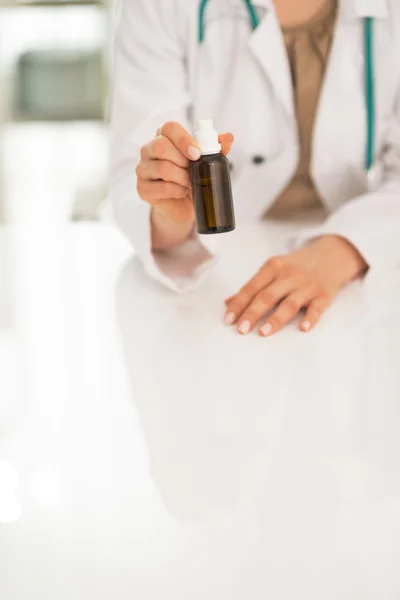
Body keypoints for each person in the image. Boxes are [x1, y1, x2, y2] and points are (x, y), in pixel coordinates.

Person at [110, 0, 400, 337]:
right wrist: (169, 214)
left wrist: (344, 248)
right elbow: (136, 174)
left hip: (367, 273)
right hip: (214, 278)